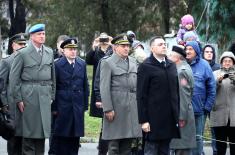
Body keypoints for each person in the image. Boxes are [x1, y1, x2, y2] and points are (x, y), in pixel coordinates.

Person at [9, 23, 56, 155]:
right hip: (28, 97)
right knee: (29, 137)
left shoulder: (49, 52)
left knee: (41, 135)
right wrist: (18, 99)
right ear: (32, 37)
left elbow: (53, 76)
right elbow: (14, 79)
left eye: (43, 34)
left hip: (44, 97)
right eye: (39, 34)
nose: (42, 36)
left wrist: (52, 95)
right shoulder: (22, 53)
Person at [137, 36, 180, 155]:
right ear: (152, 48)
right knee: (151, 150)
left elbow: (176, 92)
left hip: (169, 119)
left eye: (165, 44)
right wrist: (143, 120)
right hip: (153, 120)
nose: (164, 46)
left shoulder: (171, 65)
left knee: (165, 151)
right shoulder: (146, 66)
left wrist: (177, 115)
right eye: (160, 44)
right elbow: (141, 96)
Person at [100, 34, 142, 155]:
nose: (126, 48)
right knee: (113, 146)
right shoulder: (108, 63)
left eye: (128, 46)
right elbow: (104, 87)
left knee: (127, 146)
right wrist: (108, 108)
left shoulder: (133, 62)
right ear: (115, 47)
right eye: (123, 46)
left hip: (131, 108)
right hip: (116, 109)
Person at [52, 38, 89, 155]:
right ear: (63, 50)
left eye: (75, 49)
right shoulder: (57, 64)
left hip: (77, 106)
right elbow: (53, 87)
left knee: (75, 139)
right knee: (61, 140)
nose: (73, 51)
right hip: (62, 107)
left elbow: (85, 85)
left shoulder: (81, 63)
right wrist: (54, 108)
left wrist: (84, 105)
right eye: (70, 49)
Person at [185, 41, 216, 155]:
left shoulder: (204, 65)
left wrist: (206, 108)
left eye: (190, 49)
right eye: (186, 49)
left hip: (199, 111)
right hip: (182, 111)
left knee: (198, 138)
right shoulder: (181, 63)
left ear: (196, 51)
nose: (187, 51)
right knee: (182, 138)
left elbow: (212, 89)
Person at [86, 32, 112, 155]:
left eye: (105, 39)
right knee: (104, 121)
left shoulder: (112, 50)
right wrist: (94, 46)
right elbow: (88, 60)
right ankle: (102, 149)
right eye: (101, 39)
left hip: (109, 87)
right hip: (99, 87)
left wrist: (111, 44)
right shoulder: (96, 51)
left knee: (106, 123)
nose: (103, 41)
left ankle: (104, 148)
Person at [0, 33, 26, 155]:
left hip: (25, 105)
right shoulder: (7, 62)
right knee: (13, 138)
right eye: (20, 44)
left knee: (25, 140)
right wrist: (4, 105)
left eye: (24, 44)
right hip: (12, 106)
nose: (22, 46)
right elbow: (2, 85)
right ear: (13, 45)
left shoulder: (28, 61)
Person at [169, 45, 196, 155]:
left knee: (182, 149)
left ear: (177, 58)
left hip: (182, 115)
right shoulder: (181, 68)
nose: (168, 57)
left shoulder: (181, 71)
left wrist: (181, 117)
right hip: (182, 113)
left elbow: (184, 96)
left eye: (170, 55)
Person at [210, 51, 235, 155]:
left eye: (230, 61)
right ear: (221, 62)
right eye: (225, 61)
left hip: (234, 116)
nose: (227, 63)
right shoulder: (214, 73)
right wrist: (217, 81)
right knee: (220, 146)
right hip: (219, 115)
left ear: (233, 63)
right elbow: (210, 90)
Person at [48, 34, 69, 155]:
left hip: (67, 101)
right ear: (57, 45)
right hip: (55, 100)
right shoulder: (51, 57)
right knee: (53, 129)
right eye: (61, 45)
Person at [202, 44, 220, 155]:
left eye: (211, 52)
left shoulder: (218, 67)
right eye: (207, 51)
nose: (209, 53)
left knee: (215, 131)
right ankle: (200, 152)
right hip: (202, 102)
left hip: (215, 103)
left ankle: (216, 152)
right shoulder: (199, 66)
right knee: (200, 129)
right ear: (203, 54)